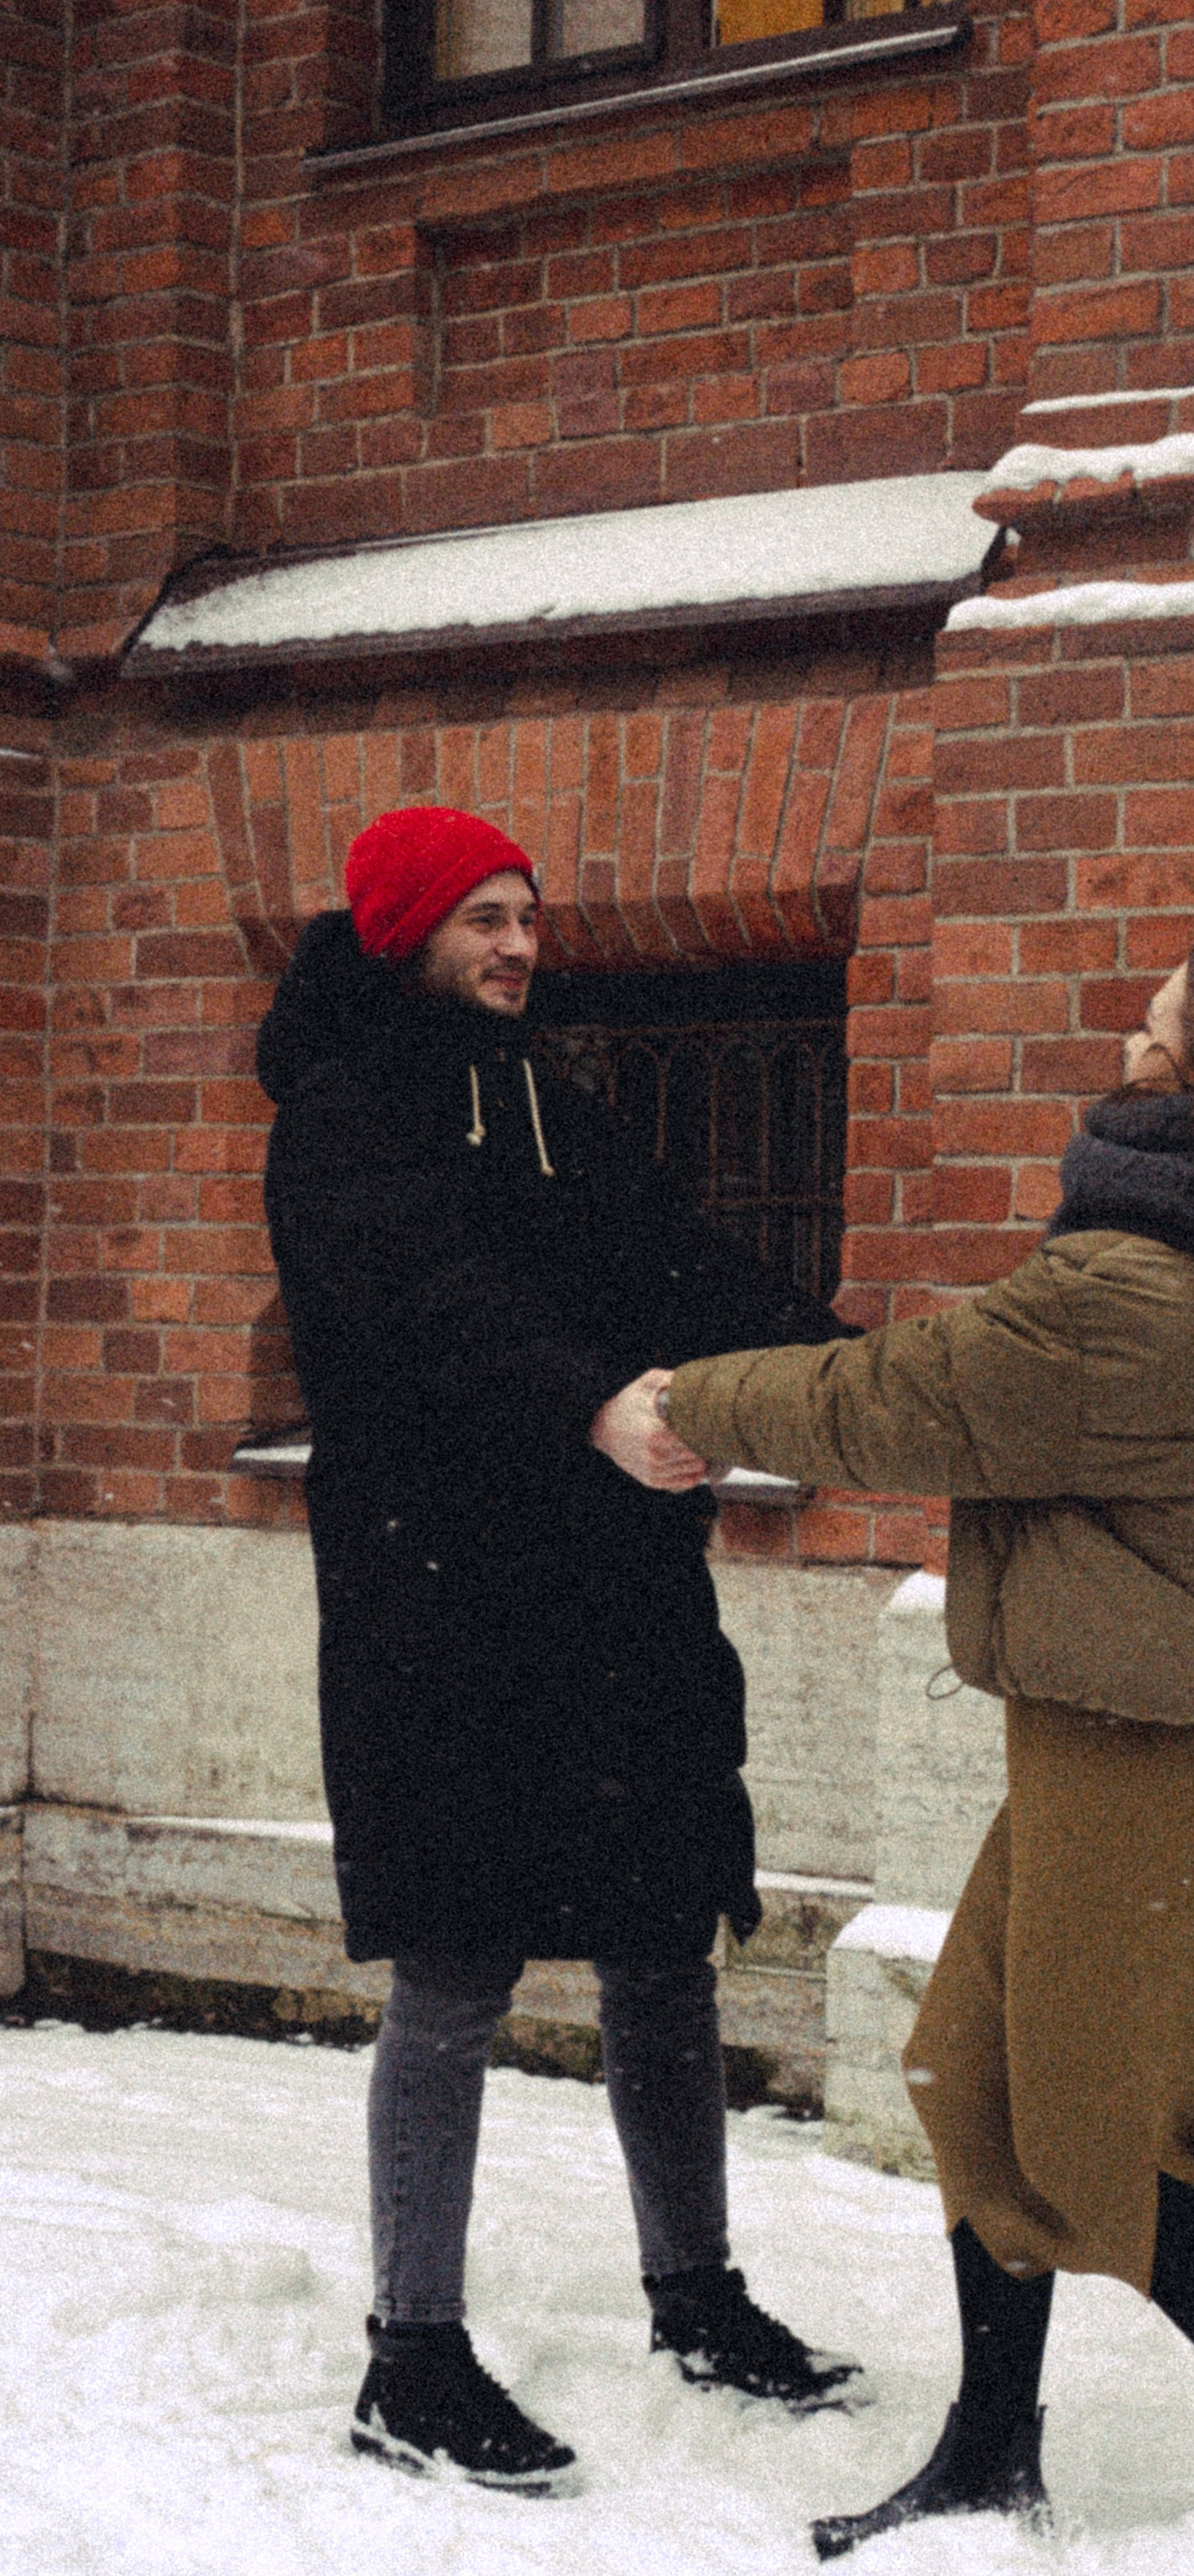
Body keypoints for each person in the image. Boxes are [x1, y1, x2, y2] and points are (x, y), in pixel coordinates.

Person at [608, 930, 1194, 2553]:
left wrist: (691, 1403)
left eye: (1158, 1025)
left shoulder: (1126, 1298)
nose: (1132, 1042)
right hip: (1138, 1740)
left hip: (1140, 1755)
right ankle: (985, 2448)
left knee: (1089, 2130)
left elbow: (898, 1394)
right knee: (974, 2073)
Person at [259, 805, 860, 2491]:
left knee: (663, 1941)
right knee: (454, 1964)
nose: (519, 947)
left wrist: (856, 1381)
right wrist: (589, 1402)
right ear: (403, 933)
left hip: (614, 1592)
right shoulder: (342, 1117)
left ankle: (698, 2292)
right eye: (482, 920)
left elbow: (686, 1263)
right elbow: (431, 1305)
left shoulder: (552, 1100)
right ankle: (414, 2356)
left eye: (527, 916)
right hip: (441, 1600)